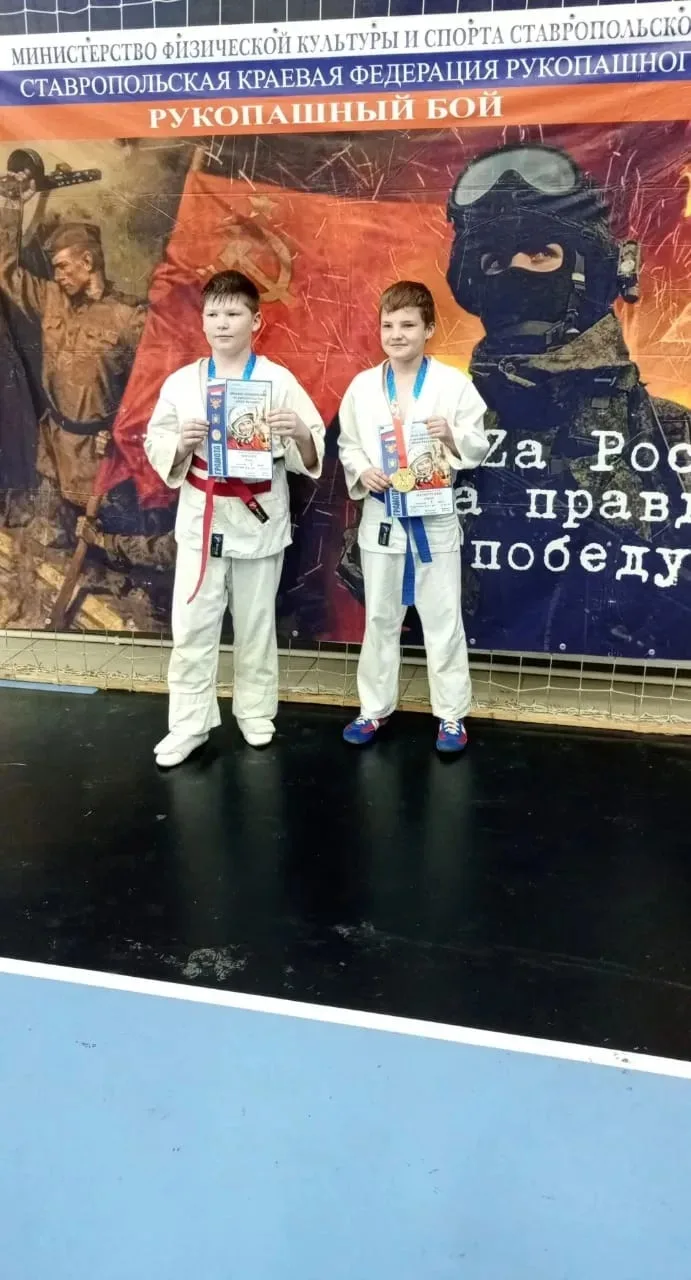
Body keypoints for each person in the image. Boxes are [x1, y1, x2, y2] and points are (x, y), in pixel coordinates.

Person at [445, 142, 691, 658]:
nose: (515, 273)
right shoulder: (444, 422)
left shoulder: (671, 436)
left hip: (624, 695)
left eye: (541, 253)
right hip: (472, 680)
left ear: (593, 271)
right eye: (493, 261)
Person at [144, 269, 325, 767]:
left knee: (256, 623)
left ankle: (256, 712)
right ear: (202, 321)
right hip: (202, 515)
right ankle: (188, 724)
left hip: (258, 515)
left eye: (233, 313)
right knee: (192, 626)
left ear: (256, 321)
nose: (222, 323)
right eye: (213, 314)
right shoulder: (183, 383)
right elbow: (155, 440)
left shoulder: (278, 380)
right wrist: (179, 442)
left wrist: (299, 432)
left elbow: (311, 449)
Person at [337, 280, 488, 754]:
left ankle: (451, 716)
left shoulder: (453, 384)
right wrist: (363, 470)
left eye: (407, 325)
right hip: (382, 519)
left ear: (429, 329)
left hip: (433, 518)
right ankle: (373, 708)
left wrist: (451, 435)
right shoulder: (363, 387)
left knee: (443, 620)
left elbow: (478, 444)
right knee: (380, 619)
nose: (396, 334)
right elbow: (348, 444)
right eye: (388, 325)